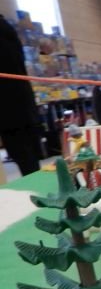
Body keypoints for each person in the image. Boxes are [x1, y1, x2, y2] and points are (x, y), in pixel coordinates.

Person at [0, 14, 41, 176]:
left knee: (23, 155)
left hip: (9, 108)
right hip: (23, 105)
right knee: (30, 157)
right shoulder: (8, 31)